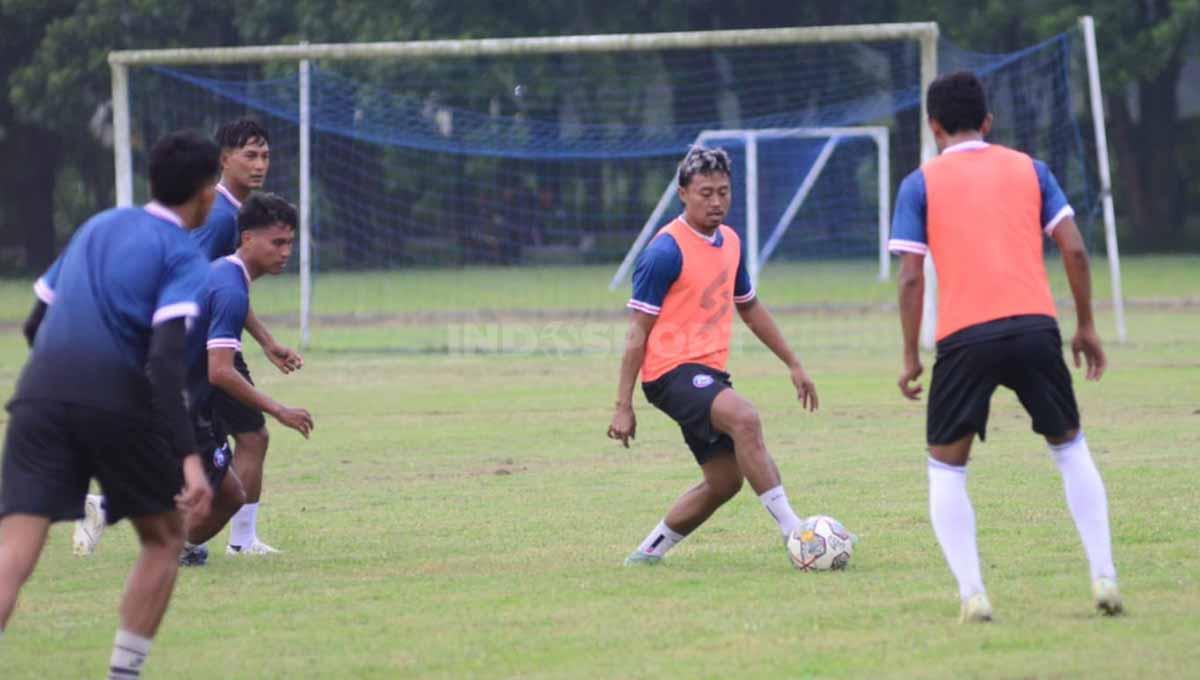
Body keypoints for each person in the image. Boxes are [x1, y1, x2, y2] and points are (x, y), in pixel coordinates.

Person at [889, 71, 1121, 623]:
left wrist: (909, 355)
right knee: (1070, 449)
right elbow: (1075, 249)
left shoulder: (920, 182)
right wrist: (1085, 325)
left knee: (947, 468)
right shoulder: (1031, 170)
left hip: (966, 335)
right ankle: (1105, 576)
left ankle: (973, 593)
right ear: (988, 122)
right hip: (1036, 327)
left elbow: (910, 278)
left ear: (933, 126)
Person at [0, 131, 217, 678]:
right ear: (206, 190)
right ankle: (123, 675)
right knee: (167, 537)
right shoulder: (182, 254)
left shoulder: (97, 225)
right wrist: (190, 459)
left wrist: (63, 386)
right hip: (114, 398)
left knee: (14, 549)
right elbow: (165, 365)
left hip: (38, 393)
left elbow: (34, 323)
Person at [75, 194, 316, 566]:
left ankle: (114, 511)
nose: (286, 252)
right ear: (248, 239)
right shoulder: (232, 286)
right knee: (227, 494)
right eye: (278, 242)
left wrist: (267, 343)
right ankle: (162, 542)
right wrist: (279, 409)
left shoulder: (225, 271)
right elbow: (219, 371)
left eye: (289, 243)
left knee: (207, 485)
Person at [609, 146, 820, 567]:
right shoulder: (664, 252)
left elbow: (751, 308)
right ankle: (795, 532)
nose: (716, 201)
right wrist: (622, 405)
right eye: (705, 192)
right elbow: (638, 333)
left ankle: (647, 553)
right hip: (669, 373)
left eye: (723, 192)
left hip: (707, 373)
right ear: (683, 193)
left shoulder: (732, 243)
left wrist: (793, 364)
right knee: (745, 417)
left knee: (725, 481)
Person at [192, 118, 302, 555]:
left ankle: (232, 538)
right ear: (223, 159)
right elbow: (203, 286)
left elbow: (228, 289)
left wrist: (264, 340)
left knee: (229, 443)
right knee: (250, 437)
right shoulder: (221, 219)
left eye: (266, 155)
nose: (260, 165)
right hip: (202, 347)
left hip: (210, 342)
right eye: (249, 155)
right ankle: (237, 541)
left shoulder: (237, 212)